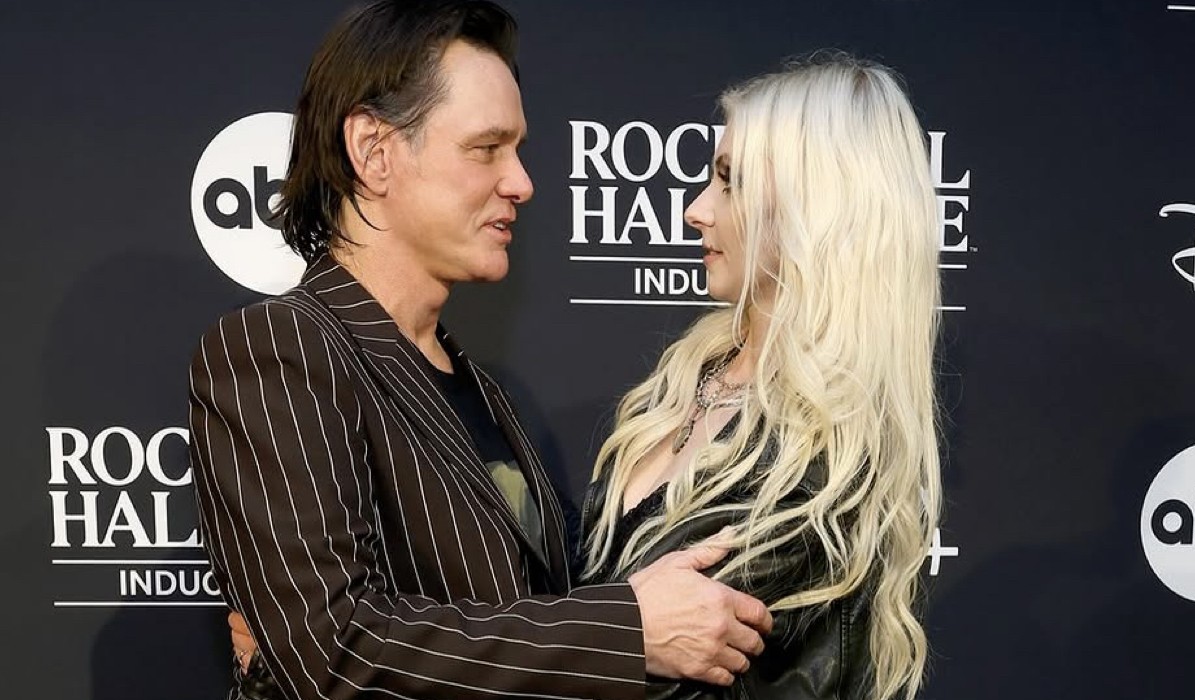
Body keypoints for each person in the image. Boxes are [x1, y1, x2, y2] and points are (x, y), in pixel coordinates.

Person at [188, 2, 772, 699]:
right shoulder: (277, 350)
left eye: (517, 150)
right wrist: (623, 632)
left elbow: (526, 611)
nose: (521, 182)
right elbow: (335, 650)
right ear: (374, 151)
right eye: (486, 148)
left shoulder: (477, 388)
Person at [576, 54, 943, 700]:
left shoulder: (826, 466)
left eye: (730, 181)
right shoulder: (689, 378)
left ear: (815, 210)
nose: (696, 210)